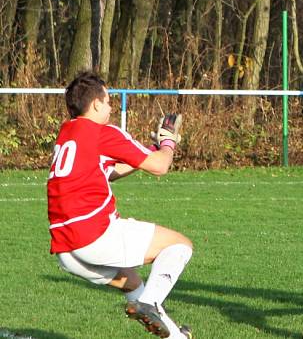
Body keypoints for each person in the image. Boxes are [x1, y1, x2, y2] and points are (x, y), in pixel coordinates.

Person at [47, 72, 194, 339]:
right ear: (95, 105)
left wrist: (150, 149)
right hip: (94, 235)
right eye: (108, 100)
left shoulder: (67, 132)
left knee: (134, 282)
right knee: (179, 246)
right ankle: (148, 305)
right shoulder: (101, 132)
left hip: (66, 250)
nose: (111, 106)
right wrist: (168, 143)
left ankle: (174, 335)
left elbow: (108, 170)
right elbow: (160, 166)